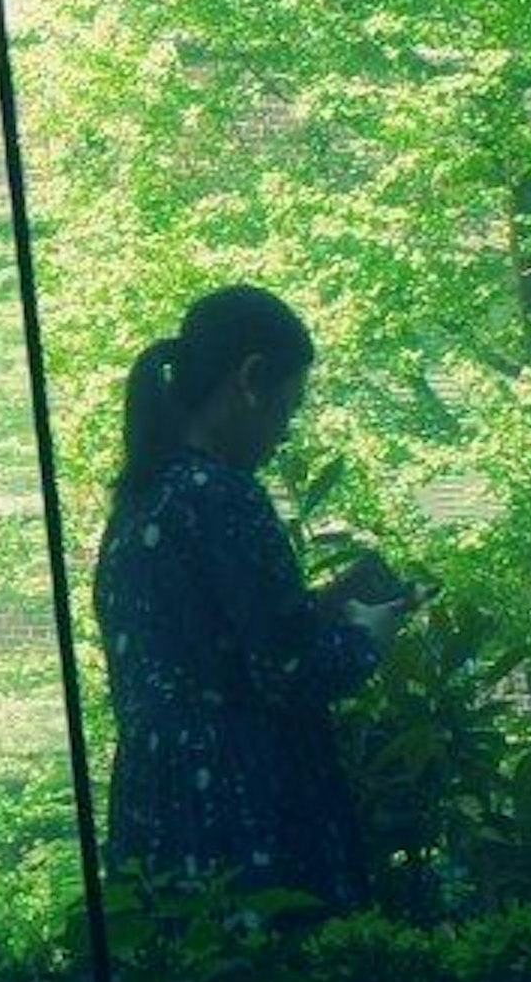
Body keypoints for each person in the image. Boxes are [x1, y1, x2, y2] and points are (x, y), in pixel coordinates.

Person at [90, 284, 408, 907]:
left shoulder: (141, 501)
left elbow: (215, 646)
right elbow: (286, 673)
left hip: (156, 802)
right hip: (243, 806)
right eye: (287, 408)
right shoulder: (224, 495)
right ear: (251, 380)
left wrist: (324, 601)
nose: (285, 433)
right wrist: (371, 632)